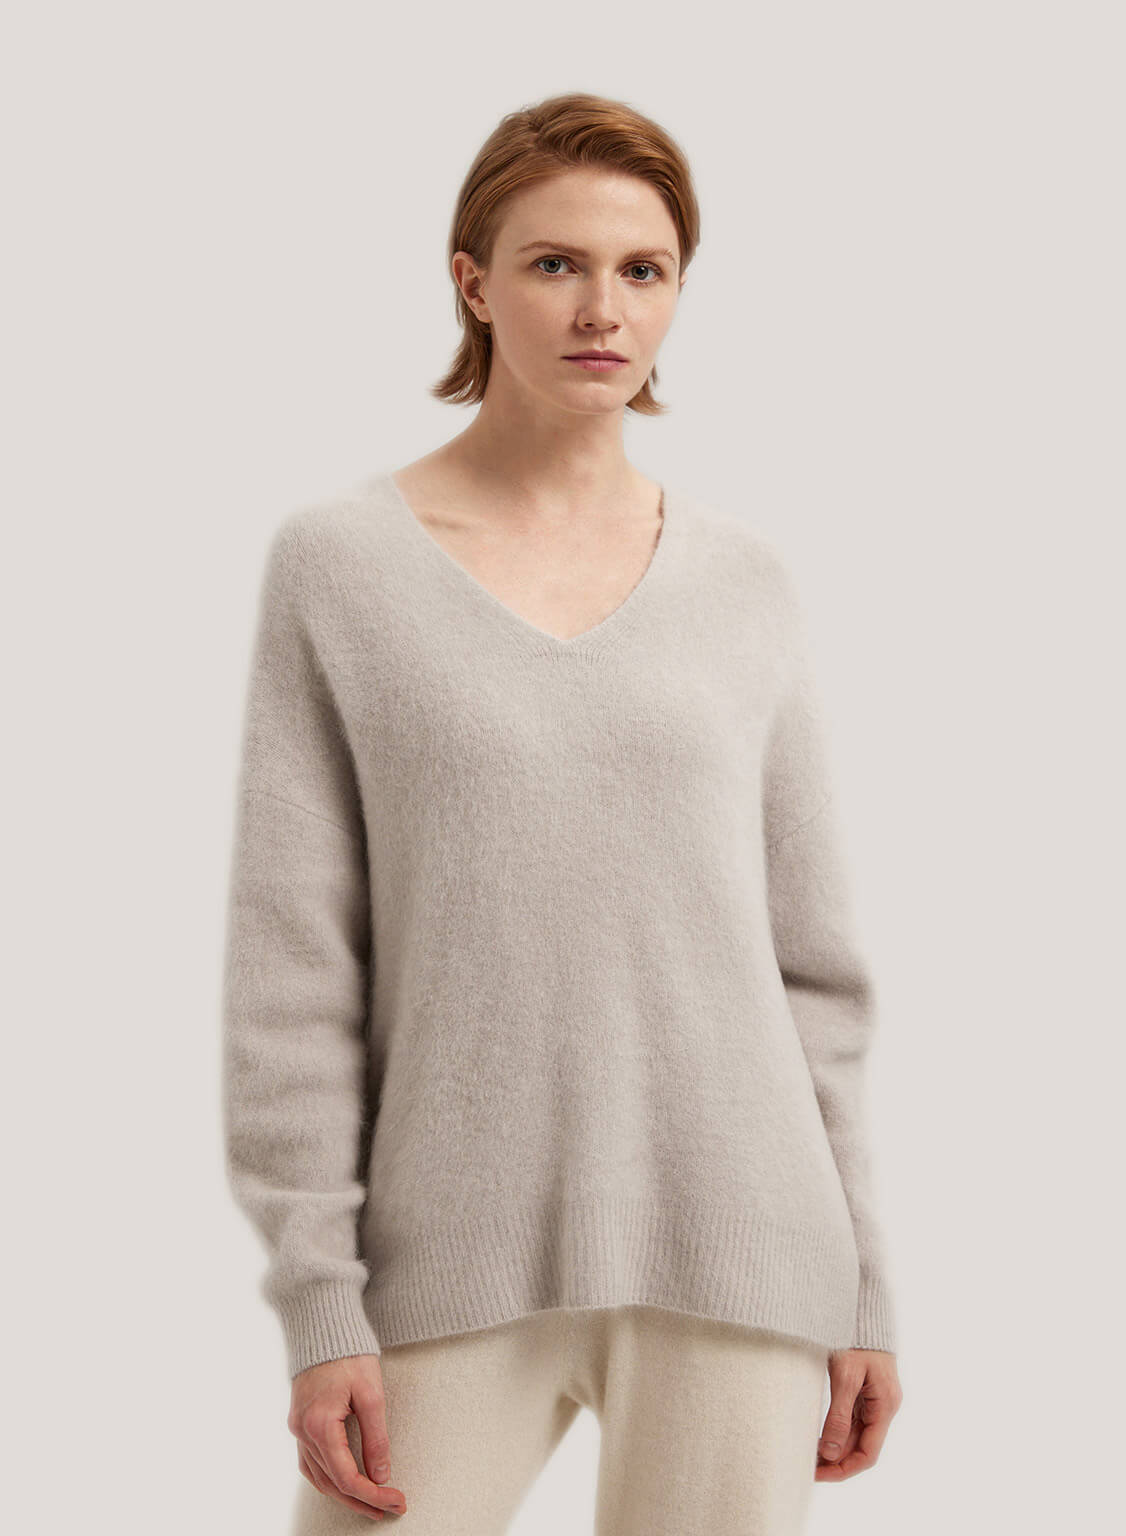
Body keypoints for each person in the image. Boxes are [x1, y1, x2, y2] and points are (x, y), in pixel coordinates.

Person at [221, 91, 904, 1534]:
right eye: (555, 264)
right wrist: (319, 1301)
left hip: (740, 1253)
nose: (603, 308)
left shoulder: (744, 584)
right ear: (472, 283)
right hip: (443, 1259)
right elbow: (293, 972)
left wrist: (863, 1289)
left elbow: (815, 974)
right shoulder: (340, 567)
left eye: (643, 270)